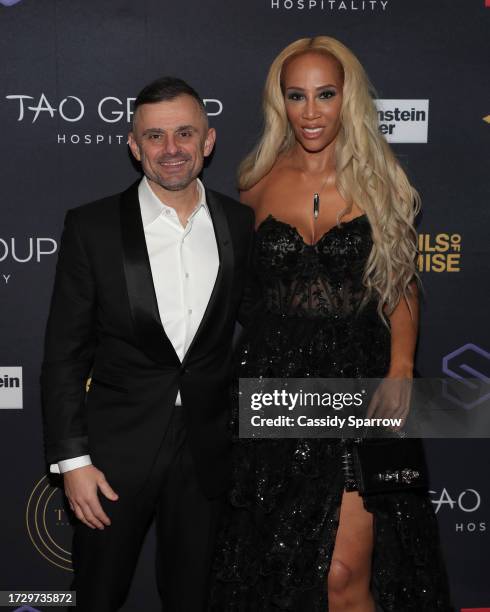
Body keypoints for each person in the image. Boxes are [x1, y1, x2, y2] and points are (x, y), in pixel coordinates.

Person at [209, 37, 453, 611]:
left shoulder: (383, 180)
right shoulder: (256, 181)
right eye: (297, 96)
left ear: (349, 99)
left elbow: (401, 283)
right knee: (281, 566)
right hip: (277, 390)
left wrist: (400, 368)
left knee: (345, 572)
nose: (311, 111)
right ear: (280, 102)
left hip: (362, 386)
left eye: (325, 94)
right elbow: (246, 294)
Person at [41, 76, 254, 611]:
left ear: (208, 140)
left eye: (185, 133)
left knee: (194, 599)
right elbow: (65, 354)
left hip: (207, 453)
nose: (172, 149)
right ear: (134, 147)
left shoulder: (239, 222)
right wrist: (73, 463)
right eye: (155, 136)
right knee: (99, 597)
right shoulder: (92, 227)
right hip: (113, 458)